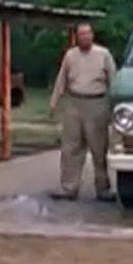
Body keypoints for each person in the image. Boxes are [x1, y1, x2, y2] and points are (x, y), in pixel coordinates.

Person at [48, 23, 117, 201]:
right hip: (75, 102)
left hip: (97, 102)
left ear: (92, 36)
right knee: (70, 147)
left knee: (99, 147)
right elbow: (61, 78)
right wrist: (54, 101)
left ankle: (103, 188)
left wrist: (115, 106)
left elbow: (114, 81)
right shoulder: (70, 55)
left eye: (87, 34)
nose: (84, 37)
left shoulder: (104, 54)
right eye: (81, 35)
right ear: (77, 37)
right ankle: (69, 187)